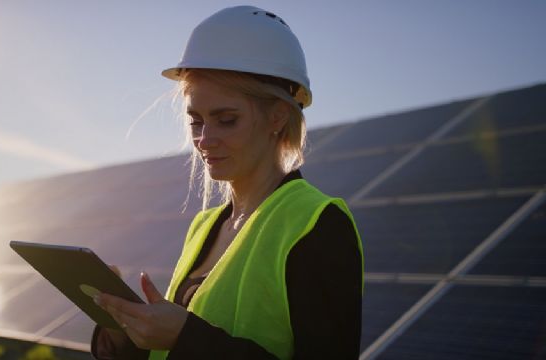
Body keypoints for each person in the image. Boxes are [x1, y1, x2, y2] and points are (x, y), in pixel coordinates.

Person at [90, 5, 364, 359]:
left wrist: (186, 336)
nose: (204, 139)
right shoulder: (204, 226)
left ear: (278, 116)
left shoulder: (317, 225)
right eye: (196, 121)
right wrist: (124, 332)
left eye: (226, 119)